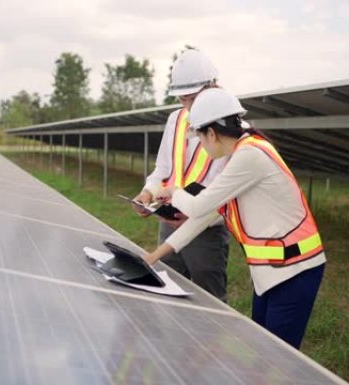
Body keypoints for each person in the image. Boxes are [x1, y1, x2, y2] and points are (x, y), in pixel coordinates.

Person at [144, 88, 326, 349]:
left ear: (212, 133)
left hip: (295, 270)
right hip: (270, 272)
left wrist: (174, 191)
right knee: (264, 352)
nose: (202, 148)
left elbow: (196, 207)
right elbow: (205, 215)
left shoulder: (250, 156)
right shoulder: (239, 156)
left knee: (278, 358)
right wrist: (154, 255)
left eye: (200, 139)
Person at [132, 49, 230, 301]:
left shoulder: (231, 128)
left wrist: (195, 212)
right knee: (166, 289)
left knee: (209, 301)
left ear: (213, 87)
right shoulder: (176, 120)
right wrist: (148, 192)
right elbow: (163, 169)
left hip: (205, 231)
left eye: (192, 98)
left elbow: (228, 190)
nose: (187, 106)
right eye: (182, 99)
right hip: (169, 224)